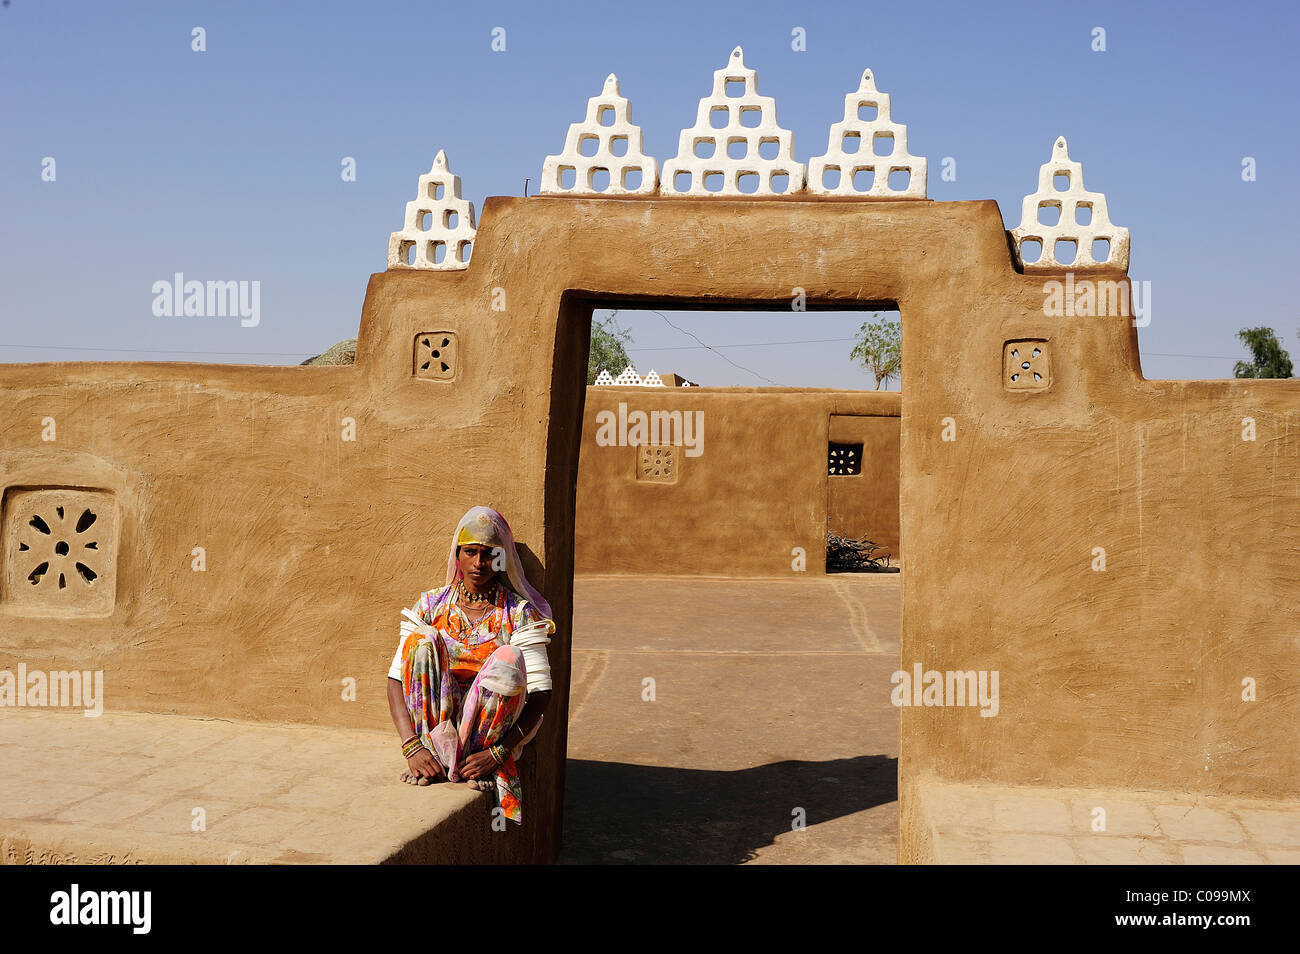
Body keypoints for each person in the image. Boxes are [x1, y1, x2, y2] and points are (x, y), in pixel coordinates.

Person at [385, 506, 554, 825]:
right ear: (457, 555)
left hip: (487, 738)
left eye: (489, 554)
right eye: (471, 552)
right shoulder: (431, 605)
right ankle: (436, 755)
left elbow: (541, 693)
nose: (479, 563)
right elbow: (396, 680)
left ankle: (467, 762)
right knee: (422, 640)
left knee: (509, 658)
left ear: (502, 558)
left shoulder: (517, 614)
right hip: (434, 729)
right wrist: (411, 747)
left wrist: (498, 753)